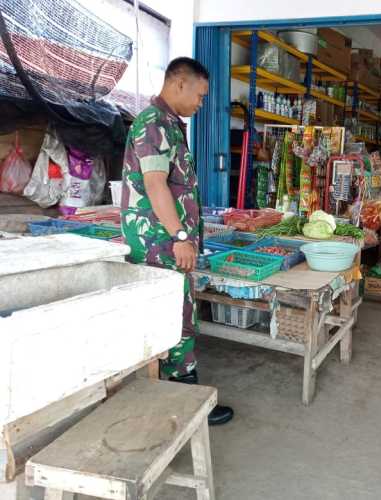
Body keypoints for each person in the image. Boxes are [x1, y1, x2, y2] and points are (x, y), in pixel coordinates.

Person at [121, 57, 233, 426]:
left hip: (167, 240)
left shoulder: (170, 124)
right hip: (160, 242)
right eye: (200, 95)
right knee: (176, 314)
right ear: (179, 83)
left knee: (175, 311)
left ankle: (175, 393)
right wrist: (181, 236)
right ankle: (186, 403)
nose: (201, 103)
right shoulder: (153, 125)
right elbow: (155, 185)